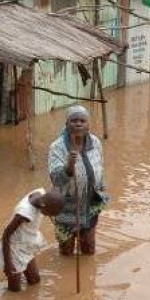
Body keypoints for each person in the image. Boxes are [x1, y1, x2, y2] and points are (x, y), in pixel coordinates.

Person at [48, 105, 109, 256]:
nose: (78, 124)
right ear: (67, 124)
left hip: (90, 205)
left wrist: (100, 190)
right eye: (74, 120)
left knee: (89, 248)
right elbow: (56, 179)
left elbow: (100, 167)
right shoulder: (57, 147)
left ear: (88, 125)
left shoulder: (95, 143)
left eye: (82, 121)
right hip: (66, 207)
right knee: (66, 251)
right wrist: (69, 166)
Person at [0, 189, 65, 292]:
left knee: (35, 280)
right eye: (49, 213)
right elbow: (6, 235)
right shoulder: (24, 214)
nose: (48, 216)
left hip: (26, 245)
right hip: (13, 248)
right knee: (14, 290)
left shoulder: (40, 193)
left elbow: (48, 207)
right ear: (43, 206)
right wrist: (8, 263)